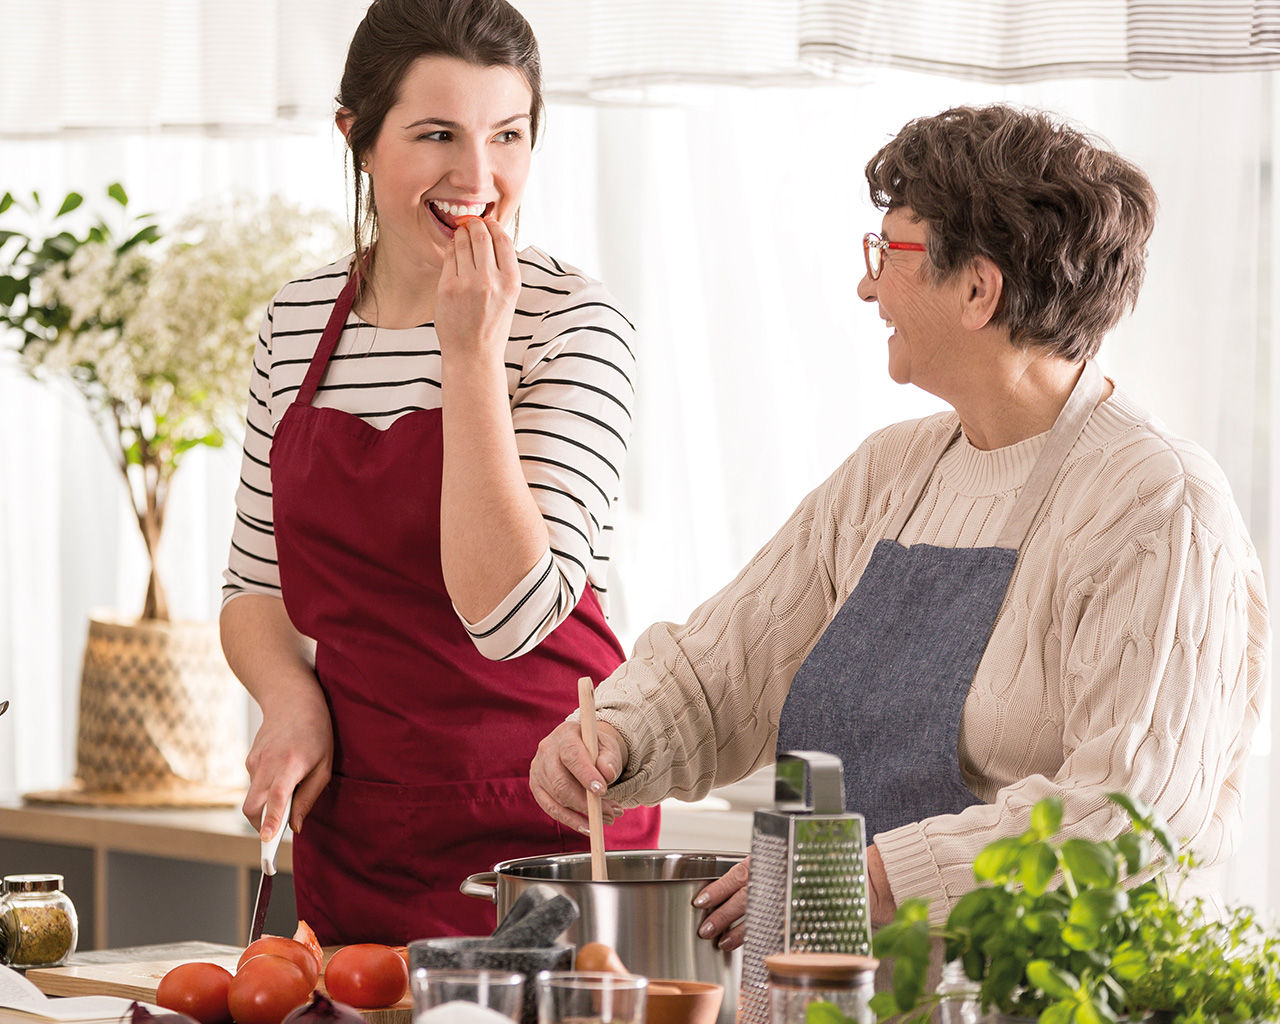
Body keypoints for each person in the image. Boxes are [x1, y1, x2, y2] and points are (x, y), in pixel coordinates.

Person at [529, 103, 1269, 950]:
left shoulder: (1158, 503)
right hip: (832, 986)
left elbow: (1133, 816)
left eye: (889, 253)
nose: (866, 284)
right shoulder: (890, 472)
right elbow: (724, 668)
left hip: (1017, 997)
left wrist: (871, 878)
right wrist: (621, 735)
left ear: (978, 288)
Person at [220, 0, 659, 944]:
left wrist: (471, 358)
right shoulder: (296, 324)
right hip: (365, 823)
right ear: (359, 139)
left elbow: (510, 615)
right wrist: (292, 703)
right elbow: (255, 584)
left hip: (552, 823)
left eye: (508, 135)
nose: (478, 176)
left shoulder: (572, 325)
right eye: (436, 135)